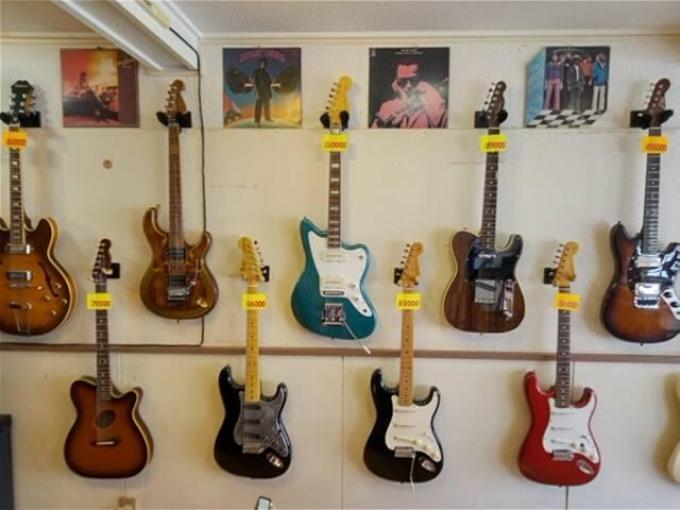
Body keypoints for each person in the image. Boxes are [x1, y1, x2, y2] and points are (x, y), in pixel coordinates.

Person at [371, 60, 447, 128]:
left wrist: (429, 91)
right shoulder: (386, 106)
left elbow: (441, 123)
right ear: (396, 81)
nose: (409, 85)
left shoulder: (429, 101)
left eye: (413, 80)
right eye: (403, 80)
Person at [248, 58, 280, 127]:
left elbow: (268, 83)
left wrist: (273, 80)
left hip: (266, 93)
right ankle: (257, 121)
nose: (264, 65)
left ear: (266, 65)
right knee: (258, 107)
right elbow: (254, 82)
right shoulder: (256, 71)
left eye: (265, 63)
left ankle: (267, 118)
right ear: (260, 64)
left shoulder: (266, 73)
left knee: (267, 105)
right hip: (259, 92)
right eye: (262, 63)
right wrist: (257, 93)